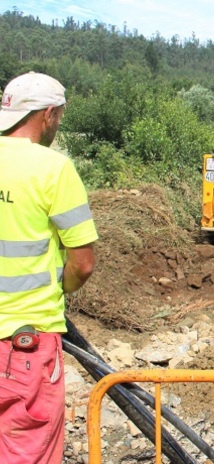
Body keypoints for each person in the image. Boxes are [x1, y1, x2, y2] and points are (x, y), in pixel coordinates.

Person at [0, 72, 98, 463]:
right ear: (49, 115)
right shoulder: (53, 169)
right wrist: (63, 286)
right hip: (26, 344)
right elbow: (83, 263)